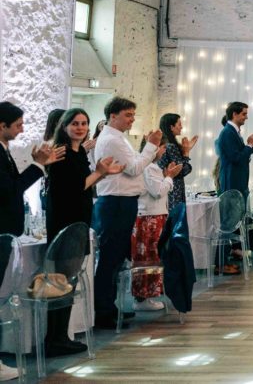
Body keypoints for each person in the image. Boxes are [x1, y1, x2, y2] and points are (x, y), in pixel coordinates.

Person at [46, 109, 123, 356]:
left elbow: (84, 187)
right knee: (62, 281)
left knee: (68, 281)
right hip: (65, 222)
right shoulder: (62, 152)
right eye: (75, 123)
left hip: (78, 220)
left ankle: (61, 336)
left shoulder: (78, 152)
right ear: (65, 126)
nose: (80, 127)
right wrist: (100, 172)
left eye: (84, 123)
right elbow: (75, 186)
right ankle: (55, 338)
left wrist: (100, 174)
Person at [92, 97, 163, 330]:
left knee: (116, 259)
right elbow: (133, 169)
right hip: (116, 202)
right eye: (128, 115)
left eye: (133, 115)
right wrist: (151, 146)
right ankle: (103, 311)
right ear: (113, 115)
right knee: (110, 259)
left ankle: (110, 307)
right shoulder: (112, 139)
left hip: (121, 202)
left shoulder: (117, 137)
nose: (132, 119)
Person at [215, 101, 253, 270]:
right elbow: (235, 158)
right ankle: (221, 263)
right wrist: (250, 145)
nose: (246, 117)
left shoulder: (233, 132)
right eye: (244, 114)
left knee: (233, 223)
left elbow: (239, 157)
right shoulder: (227, 133)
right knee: (226, 225)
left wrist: (250, 145)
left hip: (238, 183)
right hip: (232, 184)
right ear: (234, 114)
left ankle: (228, 258)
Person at [0, 101, 64, 236]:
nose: (22, 130)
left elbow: (15, 181)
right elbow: (12, 189)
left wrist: (40, 163)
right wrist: (37, 164)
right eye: (18, 125)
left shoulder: (4, 149)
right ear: (2, 126)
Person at [131, 157, 182, 311]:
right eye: (162, 148)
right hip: (149, 216)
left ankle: (148, 295)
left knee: (154, 257)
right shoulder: (148, 168)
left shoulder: (153, 167)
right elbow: (158, 191)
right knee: (148, 257)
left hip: (155, 215)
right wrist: (169, 177)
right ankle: (142, 297)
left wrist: (166, 176)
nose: (164, 153)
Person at [155, 113, 197, 212]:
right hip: (174, 190)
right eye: (179, 124)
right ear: (171, 127)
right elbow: (182, 170)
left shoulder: (164, 143)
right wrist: (186, 153)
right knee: (176, 222)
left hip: (166, 187)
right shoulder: (171, 146)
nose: (181, 127)